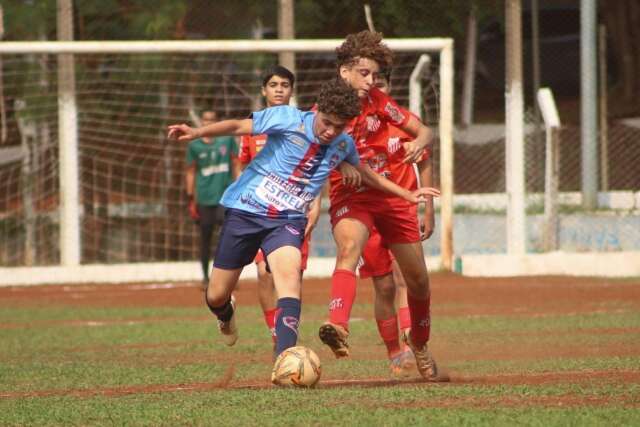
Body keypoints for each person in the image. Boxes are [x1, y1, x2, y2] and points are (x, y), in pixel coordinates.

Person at [168, 79, 440, 383]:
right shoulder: (287, 118)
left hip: (286, 220)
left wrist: (407, 195)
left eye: (339, 127)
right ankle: (225, 313)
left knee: (289, 275)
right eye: (326, 123)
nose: (330, 131)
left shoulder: (342, 144)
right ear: (317, 110)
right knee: (216, 294)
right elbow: (236, 127)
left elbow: (366, 173)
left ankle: (282, 360)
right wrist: (197, 132)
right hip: (245, 210)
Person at [318, 30, 442, 381]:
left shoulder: (379, 101)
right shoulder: (328, 106)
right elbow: (314, 144)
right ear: (344, 71)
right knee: (349, 248)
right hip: (352, 196)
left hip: (392, 198)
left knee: (418, 283)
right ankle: (338, 324)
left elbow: (426, 131)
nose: (370, 81)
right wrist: (340, 164)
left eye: (374, 75)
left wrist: (420, 141)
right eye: (364, 73)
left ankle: (419, 344)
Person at [356, 69, 436, 377]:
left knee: (410, 278)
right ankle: (394, 350)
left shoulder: (403, 122)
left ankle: (416, 342)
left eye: (380, 83)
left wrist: (428, 211)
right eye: (370, 82)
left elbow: (425, 161)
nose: (374, 87)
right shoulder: (357, 127)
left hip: (402, 210)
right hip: (368, 213)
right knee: (385, 285)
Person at [237, 65, 321, 345]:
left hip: (295, 211)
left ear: (291, 90)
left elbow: (317, 166)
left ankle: (288, 332)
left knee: (292, 277)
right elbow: (242, 168)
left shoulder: (305, 124)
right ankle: (276, 332)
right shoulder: (252, 126)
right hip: (260, 212)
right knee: (263, 273)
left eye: (284, 85)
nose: (279, 90)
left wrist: (317, 204)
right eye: (273, 85)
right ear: (264, 90)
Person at [185, 110, 239, 289]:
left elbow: (236, 163)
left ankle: (228, 278)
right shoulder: (195, 146)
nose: (208, 123)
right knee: (205, 238)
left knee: (227, 238)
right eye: (205, 120)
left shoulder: (226, 141)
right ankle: (205, 278)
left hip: (226, 198)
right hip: (205, 199)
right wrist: (191, 198)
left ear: (217, 122)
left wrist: (239, 186)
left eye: (212, 120)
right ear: (201, 122)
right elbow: (191, 171)